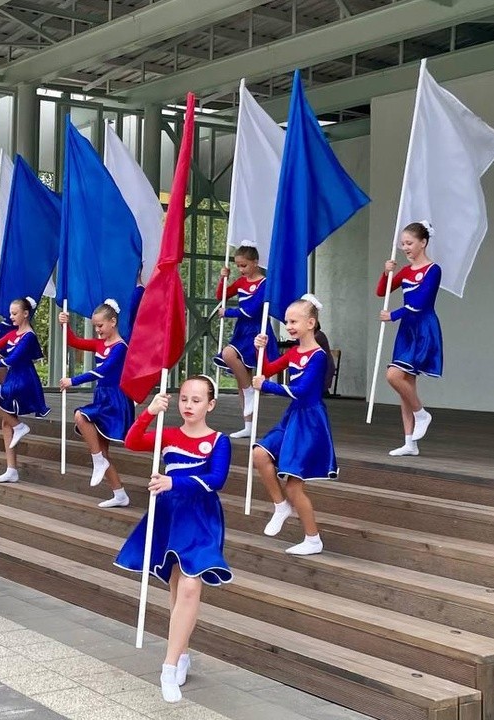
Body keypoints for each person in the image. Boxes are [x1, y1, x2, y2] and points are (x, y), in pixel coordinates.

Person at [115, 376, 232, 704]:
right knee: (177, 588)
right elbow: (132, 441)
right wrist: (149, 412)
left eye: (196, 400)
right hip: (169, 516)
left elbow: (216, 480)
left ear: (210, 404)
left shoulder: (220, 440)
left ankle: (168, 667)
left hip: (201, 518)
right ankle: (180, 652)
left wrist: (173, 483)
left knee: (191, 586)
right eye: (184, 399)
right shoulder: (168, 434)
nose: (189, 405)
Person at [252, 294, 337, 556]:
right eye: (287, 321)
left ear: (311, 323)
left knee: (294, 485)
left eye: (294, 321)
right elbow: (266, 368)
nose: (288, 326)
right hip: (293, 417)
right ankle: (280, 506)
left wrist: (265, 386)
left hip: (309, 423)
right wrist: (261, 349)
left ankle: (313, 539)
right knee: (259, 454)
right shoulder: (293, 352)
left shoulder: (318, 356)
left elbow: (302, 390)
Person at [58, 299, 134, 508]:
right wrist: (65, 325)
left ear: (113, 321)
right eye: (95, 327)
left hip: (115, 400)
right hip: (101, 396)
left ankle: (97, 460)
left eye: (100, 326)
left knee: (80, 416)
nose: (97, 331)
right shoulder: (100, 344)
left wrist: (73, 381)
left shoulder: (120, 347)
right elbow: (74, 342)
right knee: (102, 449)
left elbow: (102, 371)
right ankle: (119, 494)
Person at [376, 221, 442, 457]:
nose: (405, 247)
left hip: (423, 328)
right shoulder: (404, 271)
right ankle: (409, 442)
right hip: (407, 330)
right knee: (406, 384)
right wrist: (386, 273)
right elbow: (382, 292)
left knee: (393, 375)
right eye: (402, 243)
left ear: (423, 243)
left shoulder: (433, 270)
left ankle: (422, 414)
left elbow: (420, 302)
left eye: (409, 243)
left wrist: (393, 315)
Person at [212, 242, 278, 438]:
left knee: (228, 353)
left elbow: (251, 310)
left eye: (244, 265)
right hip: (242, 330)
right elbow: (220, 295)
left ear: (255, 262)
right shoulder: (241, 282)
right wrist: (223, 279)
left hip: (256, 330)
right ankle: (248, 425)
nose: (241, 270)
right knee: (243, 379)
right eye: (238, 266)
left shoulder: (264, 283)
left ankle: (249, 391)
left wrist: (228, 312)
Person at [0, 297, 50, 483]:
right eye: (11, 313)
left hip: (24, 380)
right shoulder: (14, 333)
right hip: (13, 378)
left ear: (26, 314)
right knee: (6, 421)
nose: (11, 317)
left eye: (14, 313)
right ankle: (11, 469)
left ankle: (20, 426)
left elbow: (13, 360)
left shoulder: (29, 336)